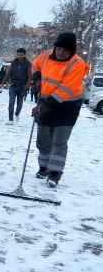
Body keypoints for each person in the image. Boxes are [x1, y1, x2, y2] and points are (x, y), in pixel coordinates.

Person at [30, 32, 87, 187]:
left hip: (68, 107)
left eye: (66, 50)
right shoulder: (46, 55)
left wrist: (44, 106)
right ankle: (43, 167)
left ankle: (55, 173)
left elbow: (65, 90)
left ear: (72, 51)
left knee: (59, 141)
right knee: (43, 139)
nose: (61, 53)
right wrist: (37, 79)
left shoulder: (78, 64)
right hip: (46, 101)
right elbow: (35, 65)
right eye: (59, 48)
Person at [0, 48, 32, 124]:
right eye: (18, 55)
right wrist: (3, 83)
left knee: (19, 104)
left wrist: (27, 86)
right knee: (11, 102)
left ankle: (17, 114)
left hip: (22, 87)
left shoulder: (27, 64)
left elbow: (30, 76)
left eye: (21, 55)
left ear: (24, 55)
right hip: (13, 86)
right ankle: (10, 119)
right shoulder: (13, 63)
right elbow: (8, 74)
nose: (19, 56)